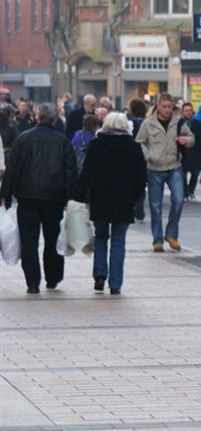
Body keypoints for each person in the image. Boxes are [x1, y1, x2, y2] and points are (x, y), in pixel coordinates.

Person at [0, 103, 78, 293]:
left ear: (38, 118)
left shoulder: (23, 139)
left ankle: (32, 281)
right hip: (54, 198)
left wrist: (6, 195)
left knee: (29, 241)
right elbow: (71, 172)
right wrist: (70, 199)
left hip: (27, 197)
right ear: (54, 119)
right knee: (52, 239)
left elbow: (12, 170)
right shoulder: (62, 141)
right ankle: (53, 277)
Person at [73, 112, 147, 295]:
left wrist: (79, 197)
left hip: (100, 199)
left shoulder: (96, 146)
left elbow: (86, 173)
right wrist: (135, 197)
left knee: (101, 237)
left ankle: (99, 275)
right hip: (124, 200)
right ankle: (115, 283)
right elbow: (141, 178)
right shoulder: (134, 148)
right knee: (118, 241)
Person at [136, 93, 194, 252]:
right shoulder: (148, 124)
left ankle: (172, 234)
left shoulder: (178, 122)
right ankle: (157, 240)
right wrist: (149, 156)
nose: (167, 110)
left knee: (179, 200)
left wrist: (185, 141)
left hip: (175, 165)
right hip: (155, 168)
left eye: (170, 107)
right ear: (158, 106)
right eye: (164, 107)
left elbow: (191, 138)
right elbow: (139, 143)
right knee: (155, 206)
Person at [179, 103, 201, 202]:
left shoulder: (197, 123)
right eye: (186, 110)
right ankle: (185, 193)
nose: (188, 112)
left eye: (190, 110)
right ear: (183, 112)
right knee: (183, 175)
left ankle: (191, 191)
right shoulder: (179, 123)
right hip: (183, 153)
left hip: (195, 153)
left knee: (195, 174)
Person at [128, 98, 149, 221]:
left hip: (132, 155)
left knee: (131, 182)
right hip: (145, 155)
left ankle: (132, 208)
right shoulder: (147, 122)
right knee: (142, 182)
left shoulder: (130, 123)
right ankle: (140, 210)